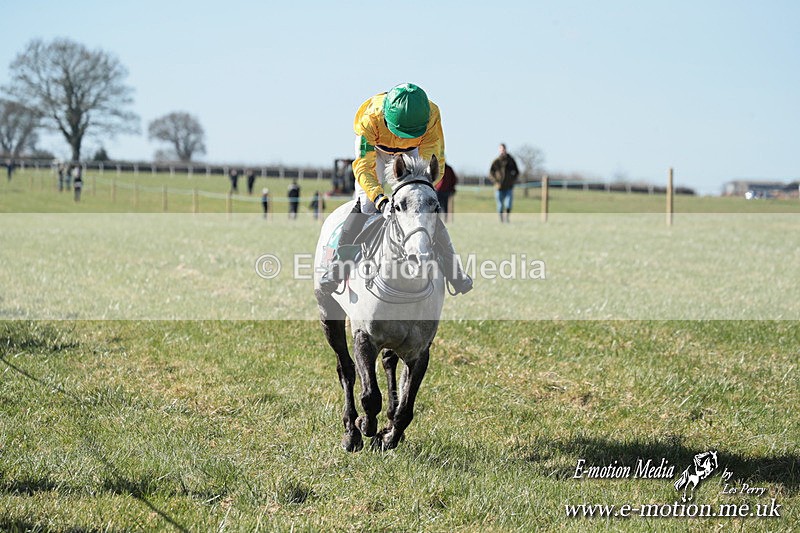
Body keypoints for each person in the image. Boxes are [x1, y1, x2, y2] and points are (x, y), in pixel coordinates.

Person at [319, 82, 472, 296]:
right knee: (366, 204)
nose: (402, 136)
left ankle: (454, 270)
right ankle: (336, 266)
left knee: (422, 205)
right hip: (377, 151)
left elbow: (436, 157)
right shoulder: (370, 118)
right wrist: (380, 199)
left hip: (413, 151)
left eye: (409, 132)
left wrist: (423, 188)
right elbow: (364, 167)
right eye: (400, 131)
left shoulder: (432, 115)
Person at [489, 143, 519, 223]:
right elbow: (491, 173)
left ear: (506, 149)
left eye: (504, 149)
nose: (503, 151)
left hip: (509, 186)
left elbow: (516, 172)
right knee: (500, 205)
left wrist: (512, 180)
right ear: (499, 150)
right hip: (499, 187)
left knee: (508, 204)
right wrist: (496, 181)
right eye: (501, 149)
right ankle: (501, 220)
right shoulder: (496, 161)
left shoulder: (511, 160)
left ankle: (507, 218)